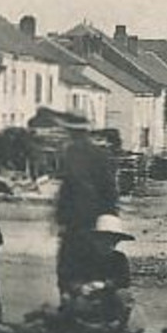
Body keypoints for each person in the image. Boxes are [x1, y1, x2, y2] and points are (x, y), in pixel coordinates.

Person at [54, 122, 119, 296]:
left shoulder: (90, 155)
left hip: (89, 220)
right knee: (73, 263)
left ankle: (80, 301)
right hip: (83, 221)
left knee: (80, 262)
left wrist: (109, 219)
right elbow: (66, 189)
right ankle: (72, 301)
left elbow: (108, 189)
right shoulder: (76, 153)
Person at [54, 213, 141, 333]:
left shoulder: (119, 259)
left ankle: (121, 331)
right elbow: (71, 278)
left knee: (125, 296)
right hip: (87, 298)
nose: (108, 244)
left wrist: (105, 285)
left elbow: (124, 280)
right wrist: (81, 287)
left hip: (109, 299)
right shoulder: (83, 258)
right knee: (68, 299)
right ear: (94, 240)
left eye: (112, 240)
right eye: (103, 240)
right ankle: (77, 328)